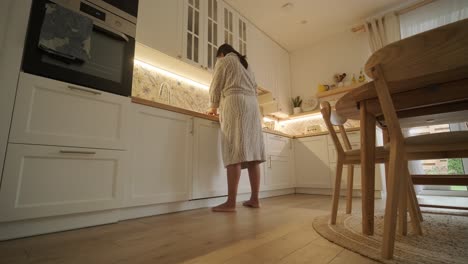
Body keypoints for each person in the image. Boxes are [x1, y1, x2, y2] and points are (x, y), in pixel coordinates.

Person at [207, 43, 266, 212]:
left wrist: (213, 107)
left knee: (234, 151)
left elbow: (216, 85)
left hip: (236, 103)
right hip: (253, 107)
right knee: (254, 154)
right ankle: (255, 199)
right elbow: (255, 90)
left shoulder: (224, 61)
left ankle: (231, 202)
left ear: (222, 54)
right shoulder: (246, 65)